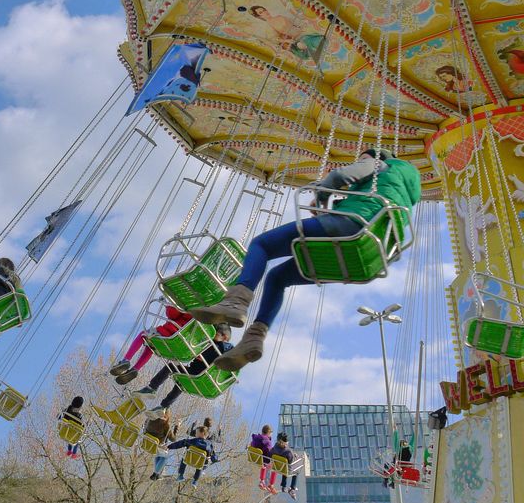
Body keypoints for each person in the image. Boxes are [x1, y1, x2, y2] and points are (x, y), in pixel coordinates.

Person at [190, 149, 422, 371]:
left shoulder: (380, 164)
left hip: (353, 225)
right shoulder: (403, 192)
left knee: (262, 244)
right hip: (370, 257)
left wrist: (322, 193)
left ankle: (236, 302)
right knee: (277, 277)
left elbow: (340, 175)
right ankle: (254, 338)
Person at [133, 326, 233, 413]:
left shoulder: (218, 346)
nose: (213, 334)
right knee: (182, 382)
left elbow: (199, 355)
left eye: (216, 333)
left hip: (198, 374)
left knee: (171, 367)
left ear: (224, 337)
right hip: (199, 377)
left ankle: (152, 388)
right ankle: (164, 406)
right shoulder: (224, 350)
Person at [110, 306, 192, 385]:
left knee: (144, 334)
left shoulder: (188, 304)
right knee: (152, 345)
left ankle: (126, 360)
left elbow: (173, 314)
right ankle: (135, 369)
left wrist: (169, 305)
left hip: (170, 333)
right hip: (179, 343)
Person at [146, 409, 179, 480]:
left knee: (159, 455)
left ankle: (156, 474)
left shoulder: (150, 420)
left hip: (149, 444)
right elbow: (173, 439)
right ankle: (155, 473)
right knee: (164, 457)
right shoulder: (165, 425)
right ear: (167, 416)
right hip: (159, 446)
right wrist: (176, 426)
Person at [251, 424, 277, 493]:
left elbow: (252, 445)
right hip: (264, 459)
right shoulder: (267, 441)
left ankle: (262, 481)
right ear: (268, 432)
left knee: (264, 466)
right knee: (276, 467)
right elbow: (269, 451)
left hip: (255, 458)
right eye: (271, 433)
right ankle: (271, 485)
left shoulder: (255, 438)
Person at [271, 433, 298, 498]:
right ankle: (292, 488)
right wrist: (294, 455)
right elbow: (291, 461)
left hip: (277, 467)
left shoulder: (275, 447)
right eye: (286, 443)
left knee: (284, 467)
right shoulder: (288, 452)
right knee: (296, 472)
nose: (287, 444)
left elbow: (272, 452)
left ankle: (283, 486)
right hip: (286, 469)